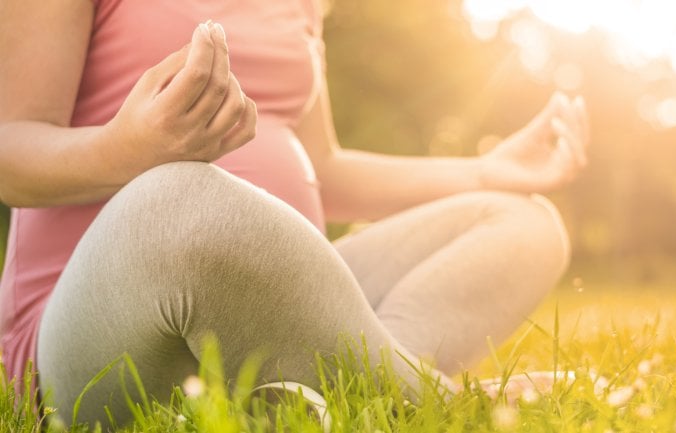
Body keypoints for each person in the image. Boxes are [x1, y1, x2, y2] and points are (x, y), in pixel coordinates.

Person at [0, 0, 589, 426]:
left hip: (273, 303)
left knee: (522, 221)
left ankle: (307, 399)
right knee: (178, 200)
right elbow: (9, 151)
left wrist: (486, 173)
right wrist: (128, 153)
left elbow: (324, 170)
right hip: (92, 328)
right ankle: (445, 407)